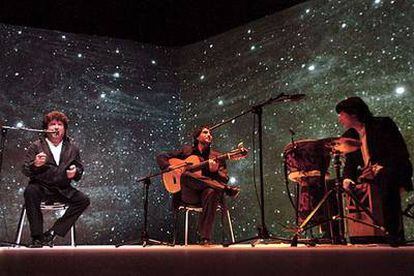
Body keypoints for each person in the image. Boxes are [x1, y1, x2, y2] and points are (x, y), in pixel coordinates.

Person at [336, 97, 413, 245]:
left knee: (386, 177)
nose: (340, 119)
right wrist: (347, 178)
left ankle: (392, 232)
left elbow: (399, 153)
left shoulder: (383, 124)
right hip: (368, 174)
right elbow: (350, 164)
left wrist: (378, 168)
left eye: (342, 114)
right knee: (335, 185)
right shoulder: (349, 136)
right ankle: (343, 234)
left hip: (392, 169)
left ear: (353, 114)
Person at [156, 126, 240, 245]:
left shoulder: (217, 156)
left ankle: (205, 238)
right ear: (197, 137)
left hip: (208, 196)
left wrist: (214, 171)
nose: (209, 135)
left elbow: (225, 178)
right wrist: (168, 168)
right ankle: (226, 190)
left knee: (211, 191)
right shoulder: (186, 151)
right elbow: (161, 156)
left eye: (210, 133)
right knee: (185, 175)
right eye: (205, 132)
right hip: (189, 195)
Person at [22, 111, 90, 247]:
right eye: (52, 124)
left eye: (60, 124)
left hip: (62, 188)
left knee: (83, 200)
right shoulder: (36, 146)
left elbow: (79, 168)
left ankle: (52, 232)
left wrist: (75, 173)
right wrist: (35, 164)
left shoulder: (72, 148)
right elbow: (25, 169)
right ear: (46, 128)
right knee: (30, 191)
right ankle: (37, 238)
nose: (56, 127)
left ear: (64, 129)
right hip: (41, 186)